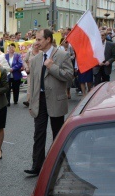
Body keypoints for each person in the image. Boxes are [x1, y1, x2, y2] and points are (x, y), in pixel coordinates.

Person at [25, 29, 73, 177]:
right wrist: (31, 102)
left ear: (48, 39)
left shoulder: (62, 55)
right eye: (36, 39)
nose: (36, 42)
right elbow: (33, 83)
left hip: (56, 101)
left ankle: (58, 165)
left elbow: (69, 76)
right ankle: (37, 165)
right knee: (38, 134)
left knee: (57, 134)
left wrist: (52, 67)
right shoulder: (35, 59)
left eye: (39, 39)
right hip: (40, 101)